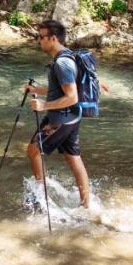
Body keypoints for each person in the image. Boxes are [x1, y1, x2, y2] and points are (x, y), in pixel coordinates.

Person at [25, 20, 95, 209]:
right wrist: (37, 90)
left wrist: (43, 105)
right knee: (73, 158)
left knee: (33, 150)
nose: (39, 41)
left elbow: (71, 96)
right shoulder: (65, 56)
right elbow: (59, 89)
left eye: (41, 37)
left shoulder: (62, 63)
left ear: (53, 38)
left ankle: (41, 197)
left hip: (61, 118)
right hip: (71, 117)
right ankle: (86, 205)